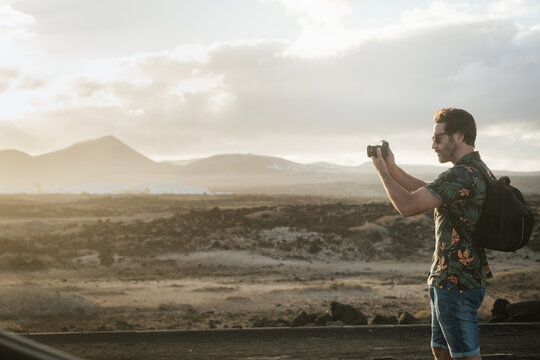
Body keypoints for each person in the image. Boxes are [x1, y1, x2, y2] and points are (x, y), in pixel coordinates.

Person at [371, 108, 492, 360]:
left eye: (438, 138)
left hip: (456, 282)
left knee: (465, 356)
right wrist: (392, 167)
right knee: (442, 350)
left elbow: (407, 206)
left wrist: (381, 171)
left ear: (458, 136)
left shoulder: (461, 175)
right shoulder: (472, 170)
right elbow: (427, 192)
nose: (434, 145)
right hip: (451, 281)